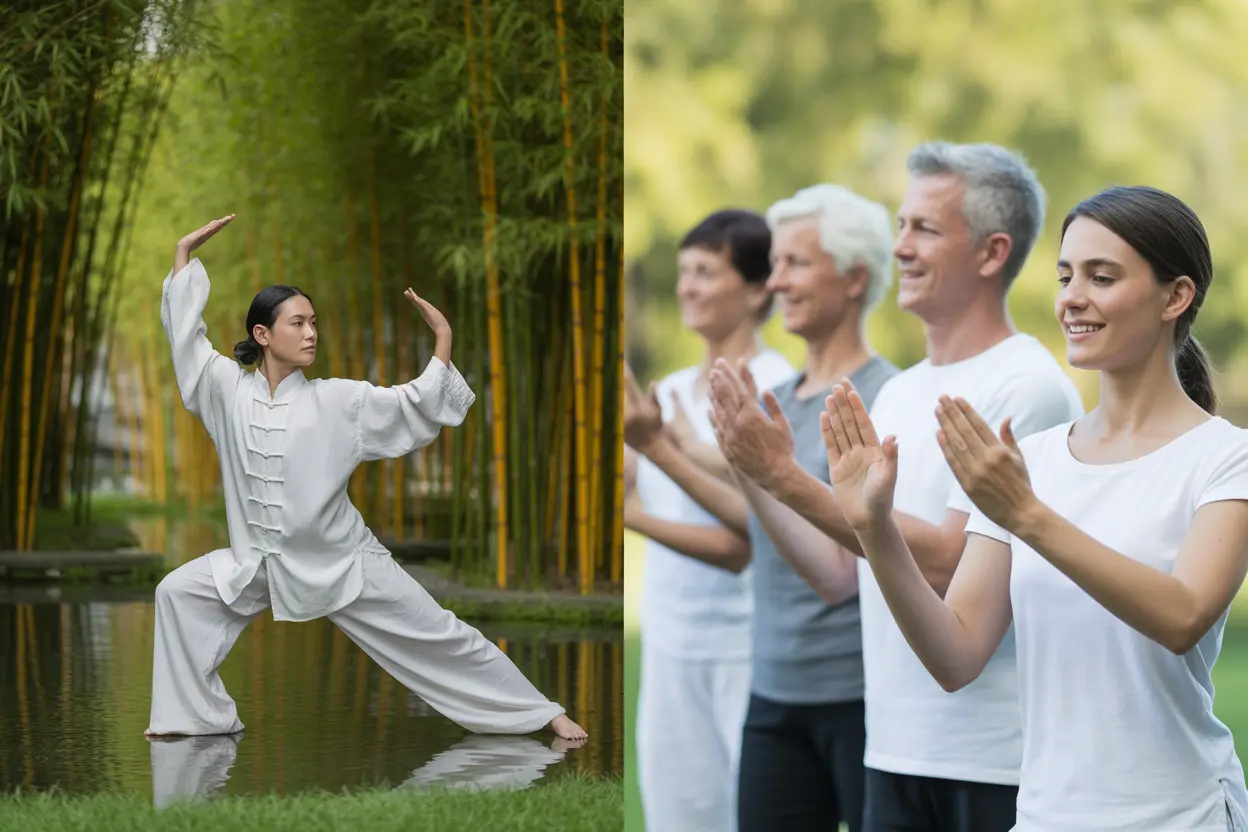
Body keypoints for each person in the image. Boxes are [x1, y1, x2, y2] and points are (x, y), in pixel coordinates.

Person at [822, 185, 1248, 832]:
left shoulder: (1224, 458)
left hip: (1179, 816)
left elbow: (1182, 614)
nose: (1072, 297)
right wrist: (874, 529)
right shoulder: (1032, 461)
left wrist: (1027, 516)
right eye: (1066, 275)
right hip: (1045, 817)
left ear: (1176, 296)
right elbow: (955, 655)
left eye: (1102, 277)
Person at [708, 143, 1082, 832]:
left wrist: (789, 477)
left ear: (992, 252)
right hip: (894, 752)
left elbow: (947, 560)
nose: (900, 247)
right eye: (902, 225)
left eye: (925, 229)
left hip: (997, 763)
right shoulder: (901, 394)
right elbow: (837, 571)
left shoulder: (1026, 389)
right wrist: (761, 475)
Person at [146, 214, 585, 743]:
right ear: (262, 334)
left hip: (343, 563)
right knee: (177, 592)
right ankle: (195, 720)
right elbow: (187, 344)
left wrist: (443, 338)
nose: (311, 333)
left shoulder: (340, 399)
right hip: (255, 564)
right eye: (297, 323)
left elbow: (413, 404)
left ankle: (541, 713)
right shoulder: (225, 389)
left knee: (440, 634)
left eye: (314, 322)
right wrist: (182, 259)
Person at [634, 184, 899, 832]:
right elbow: (758, 512)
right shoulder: (740, 393)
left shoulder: (856, 396)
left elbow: (819, 562)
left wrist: (672, 464)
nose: (777, 282)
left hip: (818, 678)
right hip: (737, 674)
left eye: (796, 265)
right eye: (775, 264)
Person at [623, 209, 794, 832]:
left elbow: (745, 541)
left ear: (757, 290)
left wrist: (632, 515)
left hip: (746, 648)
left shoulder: (779, 389)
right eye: (683, 272)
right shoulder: (664, 393)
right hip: (669, 645)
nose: (687, 287)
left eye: (705, 271)